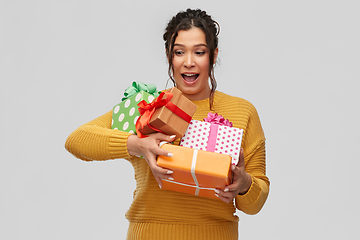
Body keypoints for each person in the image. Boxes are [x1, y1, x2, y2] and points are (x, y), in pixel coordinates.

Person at [65, 8, 269, 240]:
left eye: (199, 52)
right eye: (179, 52)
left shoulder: (242, 111)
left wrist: (244, 183)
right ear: (168, 55)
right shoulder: (148, 106)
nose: (189, 62)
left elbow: (256, 202)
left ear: (213, 55)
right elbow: (77, 140)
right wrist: (137, 144)